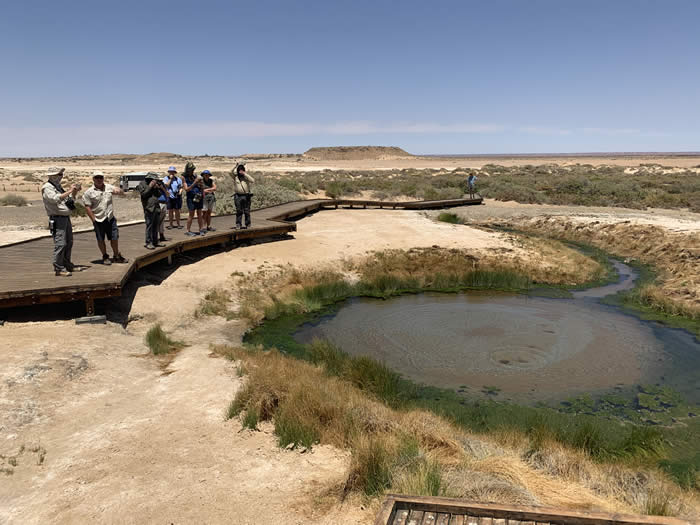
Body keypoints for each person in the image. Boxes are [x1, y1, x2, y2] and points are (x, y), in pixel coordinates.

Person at [82, 171, 128, 265]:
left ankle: (116, 255)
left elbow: (121, 192)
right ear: (93, 179)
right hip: (98, 219)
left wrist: (119, 191)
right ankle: (105, 256)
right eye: (97, 177)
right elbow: (87, 207)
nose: (99, 179)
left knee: (114, 237)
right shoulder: (89, 192)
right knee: (100, 239)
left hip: (110, 218)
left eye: (101, 177)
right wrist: (93, 220)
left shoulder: (108, 187)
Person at [41, 167, 81, 276]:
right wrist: (69, 191)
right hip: (57, 218)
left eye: (61, 174)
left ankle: (66, 264)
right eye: (59, 174)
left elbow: (69, 201)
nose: (61, 176)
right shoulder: (47, 187)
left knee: (69, 242)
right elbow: (55, 199)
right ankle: (58, 268)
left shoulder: (58, 187)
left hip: (65, 218)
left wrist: (73, 193)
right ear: (53, 175)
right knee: (61, 243)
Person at [137, 172, 166, 250]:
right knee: (149, 225)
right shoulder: (142, 184)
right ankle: (148, 242)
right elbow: (143, 194)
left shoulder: (154, 185)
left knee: (155, 225)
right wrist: (150, 186)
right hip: (148, 208)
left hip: (156, 207)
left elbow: (159, 195)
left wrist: (157, 188)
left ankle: (155, 241)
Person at [183, 161, 205, 236]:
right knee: (191, 214)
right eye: (191, 170)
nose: (192, 171)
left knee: (199, 213)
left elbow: (201, 187)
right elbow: (186, 189)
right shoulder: (184, 177)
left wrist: (201, 185)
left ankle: (201, 229)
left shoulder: (195, 176)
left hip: (198, 196)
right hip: (190, 197)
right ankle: (188, 230)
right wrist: (195, 182)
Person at [230, 162, 254, 229]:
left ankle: (248, 224)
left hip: (246, 195)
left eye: (241, 170)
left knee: (247, 211)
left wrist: (244, 174)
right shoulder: (235, 177)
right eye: (239, 170)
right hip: (238, 196)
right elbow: (230, 172)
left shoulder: (246, 177)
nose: (240, 172)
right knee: (239, 211)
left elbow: (252, 180)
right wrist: (235, 166)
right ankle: (238, 224)